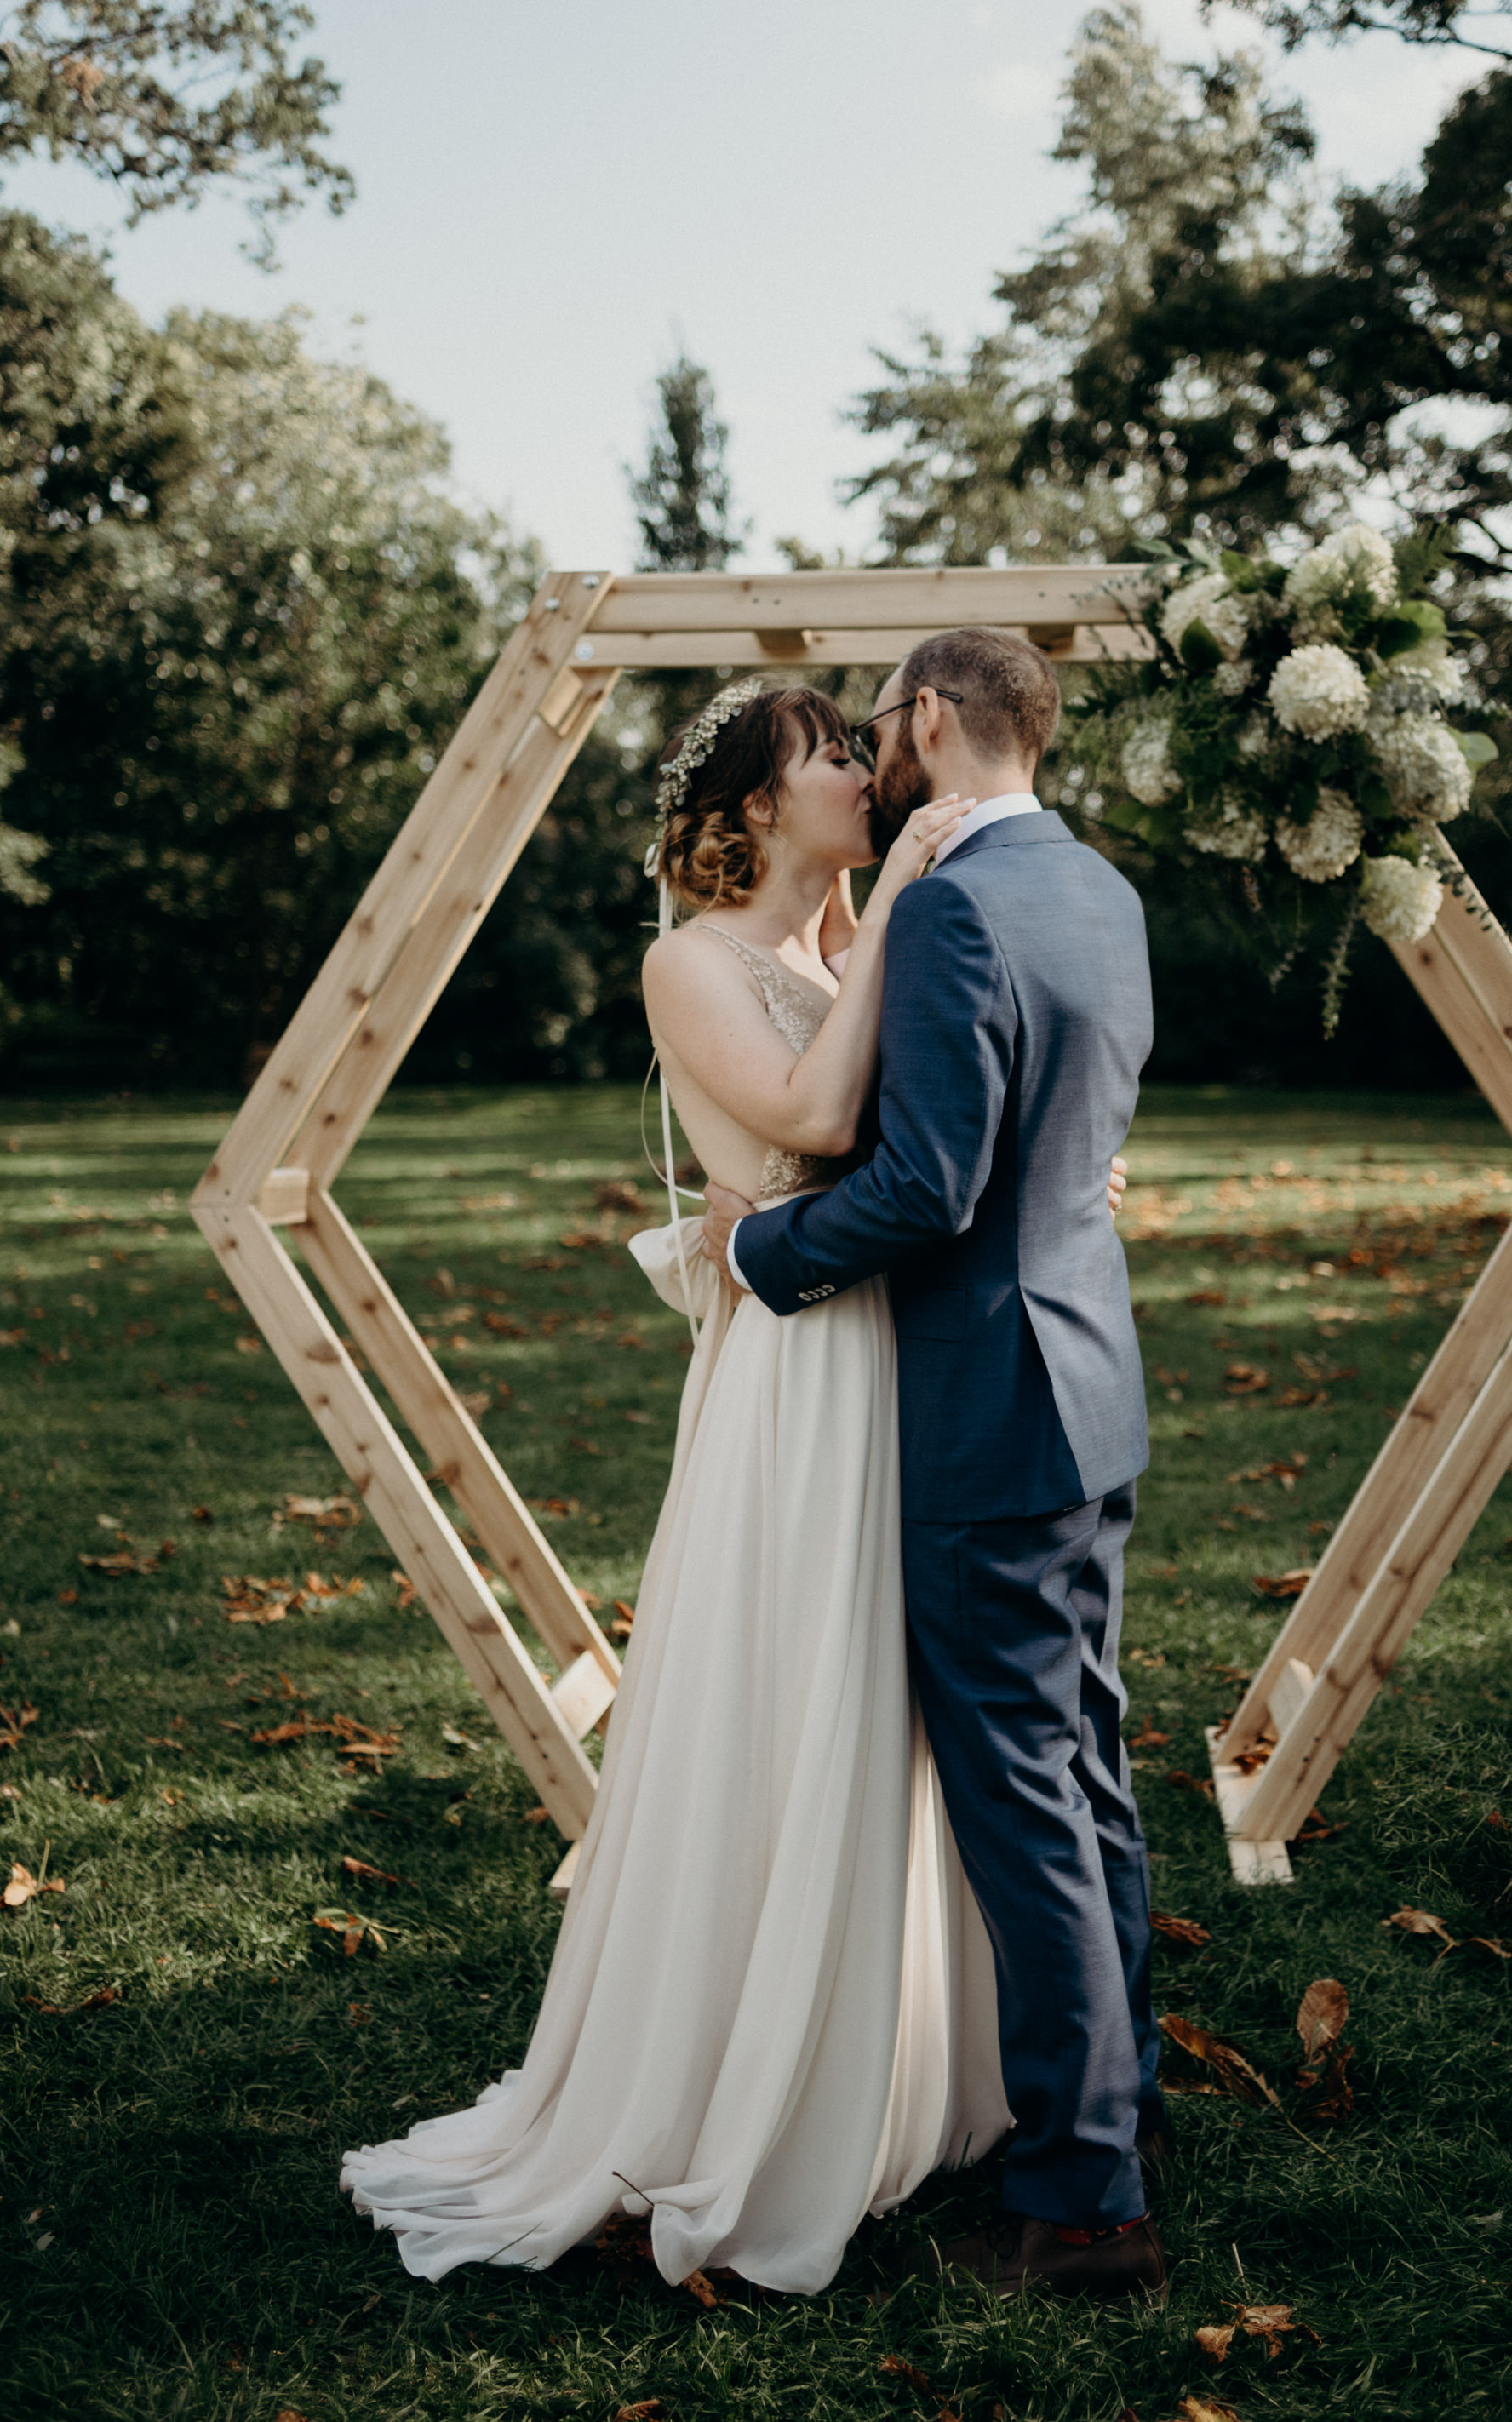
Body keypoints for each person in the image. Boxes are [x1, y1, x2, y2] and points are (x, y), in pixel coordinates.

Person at [340, 679, 1017, 2294]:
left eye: (863, 745)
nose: (868, 769)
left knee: (898, 1710)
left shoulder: (845, 948)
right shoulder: (691, 963)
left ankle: (897, 2064)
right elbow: (815, 1116)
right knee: (791, 1697)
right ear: (758, 810)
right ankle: (732, 2087)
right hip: (797, 1380)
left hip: (901, 1361)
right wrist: (899, 906)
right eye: (832, 757)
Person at [703, 627, 1167, 2301]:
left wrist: (750, 1254)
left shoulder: (960, 901)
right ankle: (1123, 2108)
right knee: (1087, 1775)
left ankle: (1083, 2204)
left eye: (881, 725)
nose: (871, 755)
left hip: (988, 1404)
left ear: (925, 723)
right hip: (1090, 1388)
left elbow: (926, 1191)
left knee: (1026, 1805)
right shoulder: (1099, 891)